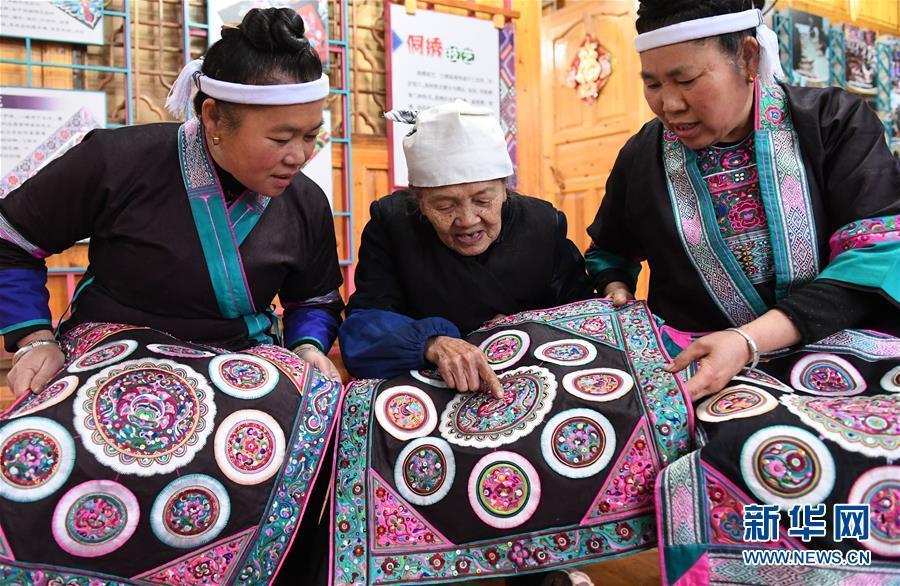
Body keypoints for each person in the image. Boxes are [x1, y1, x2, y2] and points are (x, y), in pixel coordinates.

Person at [0, 8, 343, 583]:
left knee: (319, 447)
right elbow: (11, 240)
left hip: (241, 360)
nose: (300, 155)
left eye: (311, 136)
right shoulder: (117, 160)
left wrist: (309, 346)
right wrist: (33, 336)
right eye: (281, 138)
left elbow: (315, 299)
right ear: (213, 117)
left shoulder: (305, 201)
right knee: (39, 451)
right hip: (114, 348)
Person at [585, 1, 899, 583]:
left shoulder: (834, 122)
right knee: (739, 449)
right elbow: (608, 250)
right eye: (652, 83)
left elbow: (875, 263)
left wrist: (748, 341)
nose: (668, 104)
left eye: (685, 80)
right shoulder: (642, 156)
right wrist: (615, 290)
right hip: (712, 365)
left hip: (846, 346)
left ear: (748, 58)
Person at [339, 101, 594, 396]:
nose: (468, 220)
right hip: (432, 387)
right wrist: (432, 342)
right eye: (444, 206)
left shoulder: (543, 224)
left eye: (483, 201)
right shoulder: (394, 225)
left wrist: (521, 330)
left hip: (531, 381)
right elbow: (363, 328)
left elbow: (581, 316)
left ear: (504, 190)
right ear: (419, 201)